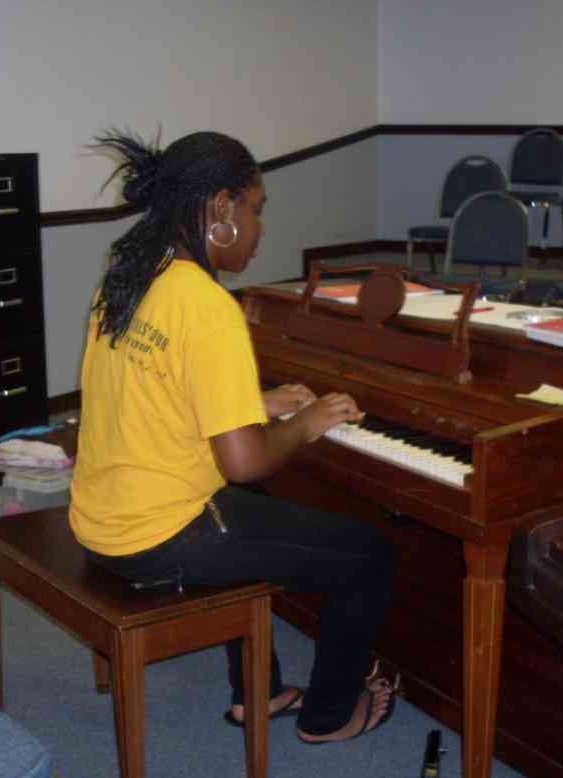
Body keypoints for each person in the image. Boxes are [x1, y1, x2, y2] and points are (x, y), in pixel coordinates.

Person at [68, 128, 397, 743]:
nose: (260, 226)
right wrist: (304, 422)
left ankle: (259, 693)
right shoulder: (208, 305)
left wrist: (252, 403)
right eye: (257, 208)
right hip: (155, 537)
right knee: (369, 555)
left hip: (99, 515)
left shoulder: (130, 275)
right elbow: (244, 463)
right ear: (221, 208)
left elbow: (142, 390)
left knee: (263, 513)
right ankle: (329, 716)